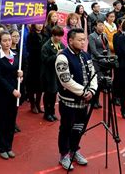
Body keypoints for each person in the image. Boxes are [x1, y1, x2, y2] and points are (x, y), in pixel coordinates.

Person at [55, 28, 97, 170]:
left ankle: (75, 150)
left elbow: (93, 74)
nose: (83, 42)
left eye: (84, 39)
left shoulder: (85, 55)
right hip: (69, 101)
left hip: (84, 101)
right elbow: (65, 80)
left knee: (79, 128)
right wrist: (83, 92)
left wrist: (92, 90)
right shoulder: (62, 57)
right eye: (79, 40)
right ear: (70, 40)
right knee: (66, 128)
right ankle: (64, 155)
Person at [0, 31, 23, 160]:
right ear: (0, 41)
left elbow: (15, 73)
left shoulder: (16, 56)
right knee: (1, 121)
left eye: (9, 40)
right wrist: (12, 90)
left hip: (13, 94)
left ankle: (8, 146)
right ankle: (0, 148)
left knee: (11, 121)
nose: (8, 43)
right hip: (2, 94)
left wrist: (20, 76)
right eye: (4, 40)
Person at [41, 25, 65, 122]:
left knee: (54, 93)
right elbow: (45, 60)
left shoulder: (61, 44)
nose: (59, 38)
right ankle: (47, 113)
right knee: (48, 94)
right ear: (53, 35)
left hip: (56, 73)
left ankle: (52, 112)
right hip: (48, 73)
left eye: (60, 36)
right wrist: (56, 55)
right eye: (57, 36)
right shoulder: (46, 46)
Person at [87, 20, 109, 109]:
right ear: (95, 26)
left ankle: (96, 100)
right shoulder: (92, 36)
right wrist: (101, 57)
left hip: (103, 60)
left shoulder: (104, 35)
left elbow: (107, 48)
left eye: (103, 25)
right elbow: (93, 50)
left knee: (101, 81)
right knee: (96, 80)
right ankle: (93, 100)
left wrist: (107, 57)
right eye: (100, 25)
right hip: (95, 60)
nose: (102, 27)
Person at [26, 24, 47, 114]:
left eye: (41, 24)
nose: (40, 26)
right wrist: (40, 48)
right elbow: (29, 48)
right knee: (31, 85)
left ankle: (38, 104)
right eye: (38, 24)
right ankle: (32, 104)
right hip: (33, 63)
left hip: (42, 64)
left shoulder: (45, 35)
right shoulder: (30, 36)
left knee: (40, 85)